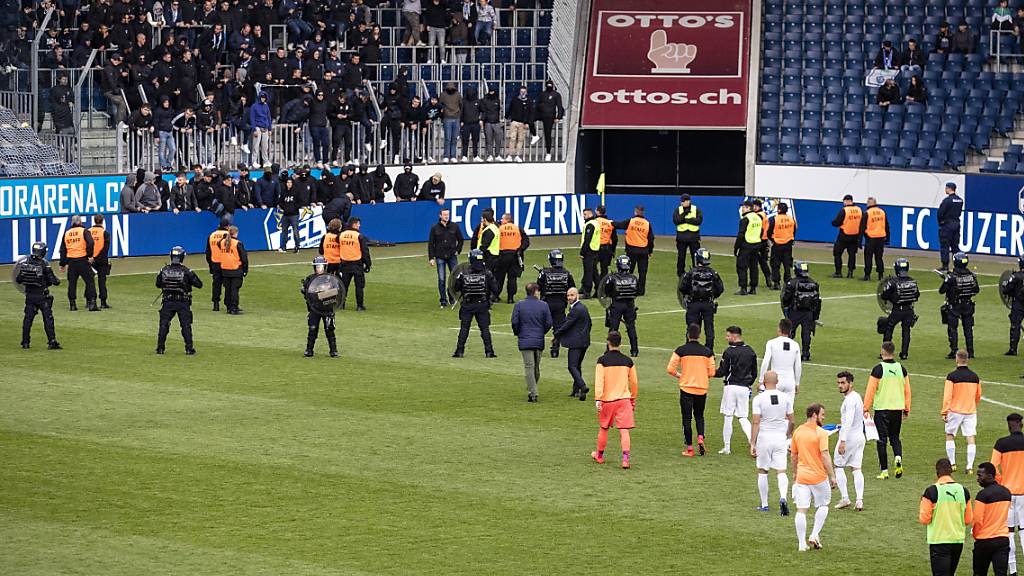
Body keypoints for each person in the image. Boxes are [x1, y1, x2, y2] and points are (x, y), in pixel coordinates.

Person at [792, 403, 837, 551]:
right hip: (818, 477)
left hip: (802, 477)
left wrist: (794, 473)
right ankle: (814, 534)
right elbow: (825, 455)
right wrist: (832, 476)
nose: (823, 417)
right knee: (823, 505)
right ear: (814, 415)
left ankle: (801, 544)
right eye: (822, 414)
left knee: (801, 510)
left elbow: (794, 455)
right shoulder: (821, 433)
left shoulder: (798, 432)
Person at [865, 341, 912, 480]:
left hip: (882, 409)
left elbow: (870, 390)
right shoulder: (901, 369)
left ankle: (884, 471)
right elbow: (907, 390)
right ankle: (898, 457)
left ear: (882, 351)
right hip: (897, 408)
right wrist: (907, 407)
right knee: (895, 437)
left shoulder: (878, 369)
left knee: (881, 440)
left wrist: (865, 408)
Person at [591, 330, 639, 469]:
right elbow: (634, 382)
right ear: (621, 343)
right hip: (624, 400)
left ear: (608, 343)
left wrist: (598, 398)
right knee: (624, 430)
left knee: (604, 428)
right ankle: (625, 459)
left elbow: (599, 381)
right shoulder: (628, 361)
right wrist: (632, 397)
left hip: (607, 400)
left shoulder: (602, 361)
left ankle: (599, 456)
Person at [668, 324, 716, 458]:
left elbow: (670, 369)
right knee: (699, 416)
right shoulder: (707, 352)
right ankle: (700, 437)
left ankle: (689, 448)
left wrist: (680, 375)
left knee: (687, 418)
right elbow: (712, 372)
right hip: (701, 389)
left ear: (688, 335)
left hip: (686, 388)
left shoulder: (681, 350)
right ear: (699, 335)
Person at [751, 371, 794, 515]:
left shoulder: (759, 399)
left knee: (763, 470)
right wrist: (788, 434)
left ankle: (764, 504)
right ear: (777, 381)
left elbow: (756, 422)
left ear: (763, 381)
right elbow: (792, 419)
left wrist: (752, 443)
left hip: (764, 437)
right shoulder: (785, 397)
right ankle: (783, 497)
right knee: (781, 470)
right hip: (780, 437)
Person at [920, 458, 972, 576]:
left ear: (937, 472)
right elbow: (968, 519)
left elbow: (924, 519)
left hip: (939, 541)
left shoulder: (931, 491)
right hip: (957, 541)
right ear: (951, 471)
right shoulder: (963, 491)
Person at [829, 371, 867, 513]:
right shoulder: (857, 397)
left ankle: (845, 498)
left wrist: (843, 441)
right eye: (838, 383)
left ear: (850, 384)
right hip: (859, 437)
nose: (840, 385)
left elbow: (849, 421)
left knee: (838, 466)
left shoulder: (850, 400)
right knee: (856, 468)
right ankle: (859, 501)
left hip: (849, 438)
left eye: (843, 383)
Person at [716, 325, 757, 455]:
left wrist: (709, 372)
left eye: (728, 335)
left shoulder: (729, 351)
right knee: (743, 417)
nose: (726, 338)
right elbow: (754, 372)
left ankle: (727, 447)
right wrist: (748, 383)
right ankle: (754, 444)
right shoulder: (750, 351)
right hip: (744, 388)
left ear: (734, 336)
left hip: (731, 387)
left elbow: (722, 371)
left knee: (728, 416)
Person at [991, 413, 1024, 576]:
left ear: (1009, 426)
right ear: (1021, 425)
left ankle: (1013, 571)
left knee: (1009, 532)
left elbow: (992, 468)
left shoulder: (1001, 444)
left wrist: (1002, 480)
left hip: (1007, 494)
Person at [940, 350, 982, 476]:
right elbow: (978, 395)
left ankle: (952, 463)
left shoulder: (951, 376)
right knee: (970, 437)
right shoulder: (975, 377)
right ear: (967, 360)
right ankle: (969, 467)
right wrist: (972, 405)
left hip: (955, 411)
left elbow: (947, 396)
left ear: (957, 359)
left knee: (950, 434)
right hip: (970, 411)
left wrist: (944, 411)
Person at [155, 246, 203, 355]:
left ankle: (160, 348)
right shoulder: (187, 271)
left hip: (167, 301)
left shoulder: (164, 270)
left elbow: (158, 284)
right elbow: (199, 284)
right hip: (183, 302)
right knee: (186, 325)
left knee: (164, 325)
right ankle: (189, 349)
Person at [452, 249, 499, 358]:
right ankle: (489, 351)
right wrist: (489, 298)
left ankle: (459, 351)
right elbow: (496, 289)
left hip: (467, 304)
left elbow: (455, 288)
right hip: (482, 304)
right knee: (485, 329)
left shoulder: (463, 273)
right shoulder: (487, 273)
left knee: (464, 328)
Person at [511, 283, 553, 403]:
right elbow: (549, 322)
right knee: (535, 366)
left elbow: (514, 322)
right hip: (538, 339)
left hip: (524, 339)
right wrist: (541, 332)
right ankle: (533, 390)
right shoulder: (544, 305)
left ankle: (532, 390)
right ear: (535, 291)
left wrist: (519, 332)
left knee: (530, 366)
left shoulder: (519, 305)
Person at [678, 248, 724, 352]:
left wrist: (688, 294)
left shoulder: (690, 273)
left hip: (693, 304)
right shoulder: (713, 273)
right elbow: (720, 289)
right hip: (708, 304)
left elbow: (682, 288)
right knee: (709, 329)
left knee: (692, 328)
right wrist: (712, 296)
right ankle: (709, 351)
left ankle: (689, 350)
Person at [17, 242, 61, 350]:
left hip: (30, 296)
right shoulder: (44, 264)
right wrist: (57, 281)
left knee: (28, 319)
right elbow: (53, 281)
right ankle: (52, 341)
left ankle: (25, 342)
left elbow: (18, 279)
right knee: (48, 318)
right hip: (42, 296)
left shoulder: (26, 262)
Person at [974, 462, 1013, 576]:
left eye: (980, 475)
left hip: (984, 541)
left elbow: (977, 520)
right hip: (1002, 540)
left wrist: (976, 535)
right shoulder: (1006, 492)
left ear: (990, 475)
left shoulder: (982, 495)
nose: (978, 479)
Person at [553, 287, 591, 400]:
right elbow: (589, 323)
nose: (569, 297)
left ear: (577, 295)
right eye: (568, 295)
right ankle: (576, 390)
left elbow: (567, 325)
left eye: (572, 295)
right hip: (584, 341)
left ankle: (583, 386)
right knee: (577, 366)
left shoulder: (576, 310)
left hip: (576, 343)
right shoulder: (583, 308)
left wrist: (556, 335)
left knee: (572, 366)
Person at [940, 252, 980, 358]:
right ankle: (970, 351)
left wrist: (946, 281)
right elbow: (976, 290)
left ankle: (954, 351)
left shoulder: (952, 277)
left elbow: (941, 290)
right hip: (968, 305)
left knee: (953, 329)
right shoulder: (972, 275)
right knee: (968, 329)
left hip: (955, 306)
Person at [537, 249, 575, 357]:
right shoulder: (567, 273)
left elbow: (538, 286)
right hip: (561, 304)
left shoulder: (544, 273)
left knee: (541, 326)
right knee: (558, 327)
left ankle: (538, 347)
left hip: (546, 303)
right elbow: (572, 289)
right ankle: (555, 350)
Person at [879, 258, 920, 359]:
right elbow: (917, 295)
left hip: (897, 310)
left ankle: (885, 352)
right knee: (906, 331)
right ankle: (904, 353)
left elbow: (884, 295)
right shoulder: (913, 281)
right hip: (909, 310)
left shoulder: (893, 282)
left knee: (889, 329)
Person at [782, 261, 821, 361]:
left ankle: (786, 352)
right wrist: (815, 316)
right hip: (808, 313)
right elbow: (817, 300)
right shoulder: (813, 283)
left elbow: (786, 298)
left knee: (789, 333)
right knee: (806, 334)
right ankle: (805, 354)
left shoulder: (792, 283)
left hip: (794, 312)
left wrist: (786, 309)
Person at [603, 255, 640, 357]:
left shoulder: (612, 278)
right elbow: (638, 291)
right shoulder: (634, 278)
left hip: (616, 305)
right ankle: (634, 350)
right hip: (630, 305)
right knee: (631, 327)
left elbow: (606, 291)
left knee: (613, 328)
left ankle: (609, 350)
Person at [59, 214, 98, 312]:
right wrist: (90, 255)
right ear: (80, 222)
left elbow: (63, 250)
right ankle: (92, 303)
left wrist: (62, 264)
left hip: (71, 262)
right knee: (90, 281)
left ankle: (72, 304)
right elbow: (91, 243)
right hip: (83, 260)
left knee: (72, 283)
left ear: (72, 223)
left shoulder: (67, 233)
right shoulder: (84, 231)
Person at [302, 256, 338, 358]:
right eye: (317, 267)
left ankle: (333, 350)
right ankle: (309, 350)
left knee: (329, 329)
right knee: (312, 329)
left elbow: (335, 293)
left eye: (321, 266)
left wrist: (320, 295)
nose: (319, 268)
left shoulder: (331, 279)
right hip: (314, 309)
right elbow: (308, 295)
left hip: (327, 308)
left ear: (325, 267)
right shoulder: (310, 279)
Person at [759, 318, 802, 401]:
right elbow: (798, 366)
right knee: (788, 411)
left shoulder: (771, 343)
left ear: (779, 329)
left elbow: (765, 362)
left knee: (774, 410)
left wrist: (761, 380)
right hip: (790, 381)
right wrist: (797, 383)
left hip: (775, 381)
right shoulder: (795, 345)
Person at [614, 205, 654, 295]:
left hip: (631, 250)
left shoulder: (631, 221)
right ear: (643, 212)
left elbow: (618, 225)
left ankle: (628, 287)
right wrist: (650, 251)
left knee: (629, 270)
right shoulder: (647, 223)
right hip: (643, 251)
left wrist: (610, 222)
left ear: (635, 211)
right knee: (642, 272)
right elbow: (651, 238)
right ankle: (641, 291)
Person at [428, 208, 464, 308]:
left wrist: (458, 250)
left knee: (454, 278)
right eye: (444, 215)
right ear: (440, 216)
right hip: (440, 256)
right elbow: (431, 244)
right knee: (441, 279)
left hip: (452, 255)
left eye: (448, 215)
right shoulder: (435, 228)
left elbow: (461, 239)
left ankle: (452, 297)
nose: (446, 217)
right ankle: (443, 300)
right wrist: (431, 258)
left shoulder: (454, 226)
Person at [494, 213, 530, 303]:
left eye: (502, 219)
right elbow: (526, 241)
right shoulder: (518, 229)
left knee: (499, 278)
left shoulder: (499, 229)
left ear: (507, 220)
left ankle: (495, 296)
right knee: (512, 278)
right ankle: (510, 298)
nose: (501, 221)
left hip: (502, 255)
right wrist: (520, 250)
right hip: (515, 256)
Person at [339, 217, 371, 311]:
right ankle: (359, 305)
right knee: (359, 286)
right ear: (354, 224)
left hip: (345, 264)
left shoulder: (341, 235)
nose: (359, 225)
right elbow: (365, 251)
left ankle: (341, 304)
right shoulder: (359, 236)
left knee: (344, 285)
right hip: (357, 264)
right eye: (358, 224)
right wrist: (368, 264)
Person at [831, 194, 862, 278]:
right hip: (855, 236)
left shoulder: (844, 210)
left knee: (837, 253)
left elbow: (837, 222)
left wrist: (833, 223)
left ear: (846, 201)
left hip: (844, 235)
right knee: (852, 255)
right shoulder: (859, 210)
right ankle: (850, 272)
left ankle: (838, 272)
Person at [734, 200, 762, 295]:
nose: (742, 209)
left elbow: (741, 235)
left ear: (748, 208)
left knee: (741, 266)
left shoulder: (745, 219)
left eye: (744, 207)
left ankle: (743, 288)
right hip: (756, 244)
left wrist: (736, 248)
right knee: (754, 267)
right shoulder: (758, 218)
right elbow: (761, 231)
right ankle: (753, 288)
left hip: (746, 245)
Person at [219, 226, 248, 315]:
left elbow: (219, 244)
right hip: (236, 269)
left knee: (228, 289)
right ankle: (234, 307)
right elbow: (244, 258)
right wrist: (245, 269)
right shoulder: (237, 243)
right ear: (235, 233)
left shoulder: (223, 242)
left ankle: (228, 306)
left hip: (225, 269)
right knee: (234, 289)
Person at [767, 202, 796, 290]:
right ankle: (788, 282)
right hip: (788, 245)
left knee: (775, 265)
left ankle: (776, 283)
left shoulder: (774, 219)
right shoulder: (791, 219)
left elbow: (769, 232)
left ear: (778, 209)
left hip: (777, 244)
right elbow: (794, 231)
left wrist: (772, 240)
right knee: (787, 265)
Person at [673, 193, 702, 277]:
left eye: (686, 201)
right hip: (682, 238)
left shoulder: (696, 209)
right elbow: (676, 221)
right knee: (681, 257)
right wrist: (684, 215)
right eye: (683, 201)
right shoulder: (678, 210)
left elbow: (698, 221)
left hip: (693, 237)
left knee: (695, 257)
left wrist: (686, 220)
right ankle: (680, 273)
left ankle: (696, 272)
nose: (684, 203)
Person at [937, 182, 964, 273]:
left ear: (949, 188)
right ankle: (959, 264)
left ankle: (945, 266)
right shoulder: (960, 200)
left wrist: (941, 222)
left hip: (947, 225)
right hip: (956, 223)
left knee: (945, 246)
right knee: (955, 246)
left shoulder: (947, 201)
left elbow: (940, 213)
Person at [205, 217, 231, 311]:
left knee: (216, 284)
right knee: (228, 284)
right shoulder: (228, 235)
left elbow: (208, 252)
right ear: (227, 226)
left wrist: (210, 264)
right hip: (226, 263)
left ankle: (216, 304)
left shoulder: (212, 235)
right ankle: (228, 304)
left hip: (215, 262)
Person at [861, 197, 889, 281]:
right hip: (881, 237)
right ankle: (880, 275)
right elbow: (886, 225)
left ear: (869, 204)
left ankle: (867, 275)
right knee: (879, 257)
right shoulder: (882, 212)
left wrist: (859, 240)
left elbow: (862, 227)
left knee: (868, 257)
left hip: (871, 238)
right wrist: (888, 238)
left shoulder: (867, 213)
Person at [88, 214, 112, 309]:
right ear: (102, 221)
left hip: (90, 259)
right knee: (102, 281)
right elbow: (105, 249)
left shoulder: (88, 231)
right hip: (101, 260)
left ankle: (89, 300)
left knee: (89, 281)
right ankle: (103, 301)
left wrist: (91, 257)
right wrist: (97, 258)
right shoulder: (104, 232)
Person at [1001, 256, 1024, 356]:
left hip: (1018, 304)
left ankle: (1013, 349)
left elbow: (1006, 290)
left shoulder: (1016, 277)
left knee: (1015, 326)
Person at [536, 80, 564, 162]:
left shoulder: (556, 95)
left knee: (547, 134)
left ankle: (548, 153)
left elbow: (559, 107)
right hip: (542, 115)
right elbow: (538, 105)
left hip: (550, 117)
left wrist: (558, 117)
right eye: (548, 85)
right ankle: (534, 135)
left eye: (550, 85)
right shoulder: (542, 94)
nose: (549, 86)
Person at [579, 207, 600, 299]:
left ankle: (587, 292)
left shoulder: (590, 225)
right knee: (594, 272)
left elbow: (587, 240)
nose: (584, 216)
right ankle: (599, 290)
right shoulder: (595, 223)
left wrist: (582, 252)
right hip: (595, 250)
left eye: (585, 214)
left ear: (590, 214)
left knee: (588, 272)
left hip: (589, 251)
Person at [751, 199, 773, 287]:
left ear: (758, 206)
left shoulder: (758, 216)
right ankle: (768, 279)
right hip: (764, 240)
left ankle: (757, 280)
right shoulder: (764, 214)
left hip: (759, 241)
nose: (753, 207)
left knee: (755, 262)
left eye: (755, 206)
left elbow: (759, 229)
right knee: (763, 262)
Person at [277, 177, 302, 253]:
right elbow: (280, 202)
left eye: (290, 182)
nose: (289, 184)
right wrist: (284, 208)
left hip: (294, 215)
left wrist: (293, 208)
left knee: (295, 231)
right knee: (284, 231)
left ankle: (297, 247)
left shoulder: (296, 191)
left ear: (292, 183)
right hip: (285, 215)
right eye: (288, 182)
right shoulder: (283, 192)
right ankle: (283, 247)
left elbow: (300, 202)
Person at [472, 208, 500, 273]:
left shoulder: (489, 230)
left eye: (482, 219)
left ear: (485, 219)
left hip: (488, 257)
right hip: (494, 255)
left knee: (486, 277)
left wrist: (477, 253)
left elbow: (484, 245)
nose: (481, 221)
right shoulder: (494, 227)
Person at [595, 205, 617, 284]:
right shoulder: (610, 223)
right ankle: (602, 288)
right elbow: (614, 238)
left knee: (592, 268)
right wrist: (613, 251)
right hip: (607, 249)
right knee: (604, 269)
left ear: (597, 211)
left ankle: (595, 285)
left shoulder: (594, 221)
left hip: (595, 248)